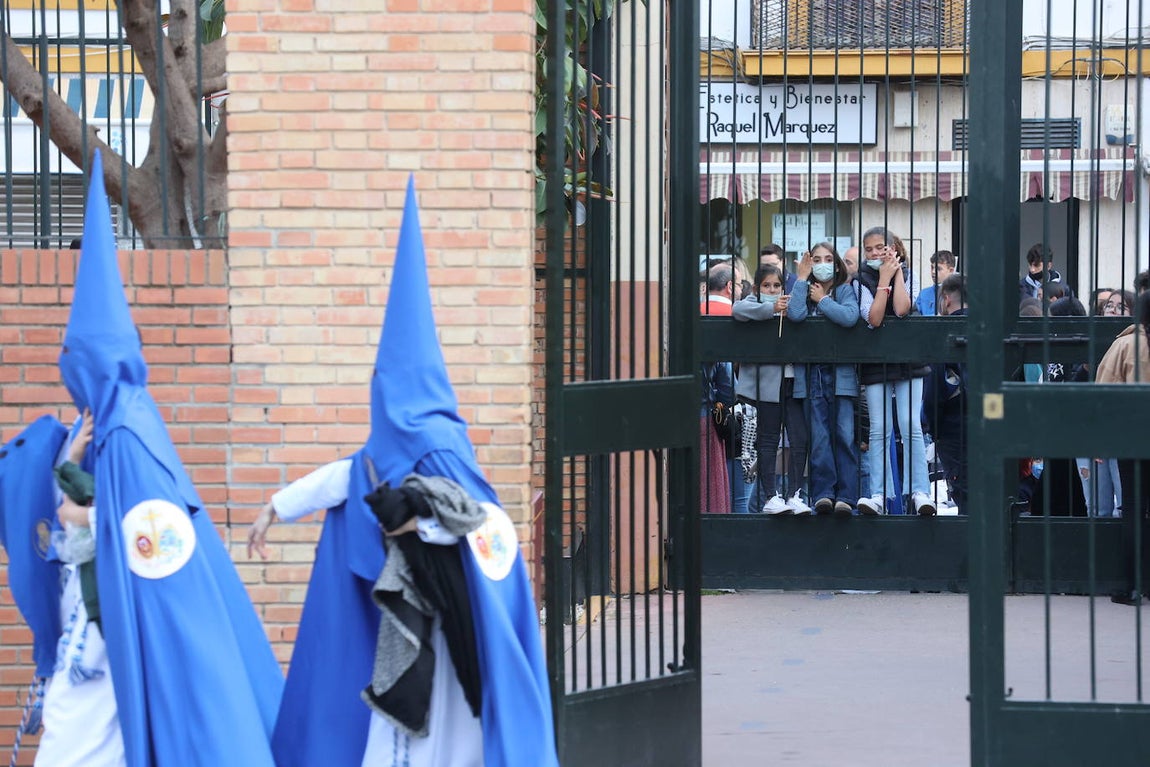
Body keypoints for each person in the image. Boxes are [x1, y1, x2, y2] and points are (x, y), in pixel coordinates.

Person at [248, 177, 558, 767]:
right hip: (405, 619)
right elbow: (342, 477)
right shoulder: (378, 451)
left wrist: (423, 530)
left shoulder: (442, 443)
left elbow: (483, 521)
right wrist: (275, 508)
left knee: (451, 727)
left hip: (451, 619)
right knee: (400, 721)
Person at [57, 150, 283, 766]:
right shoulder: (116, 420)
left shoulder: (126, 432)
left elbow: (146, 529)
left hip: (134, 623)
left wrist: (76, 516)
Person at [855, 226, 935, 516]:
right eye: (869, 249)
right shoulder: (860, 279)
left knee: (910, 424)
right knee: (879, 428)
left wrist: (896, 274)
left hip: (908, 358)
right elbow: (874, 317)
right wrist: (883, 280)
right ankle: (879, 493)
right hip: (876, 360)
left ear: (894, 249)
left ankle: (920, 491)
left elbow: (902, 308)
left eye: (880, 247)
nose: (875, 253)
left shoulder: (910, 275)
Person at [787, 242, 861, 515]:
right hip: (811, 375)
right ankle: (823, 493)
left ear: (837, 263)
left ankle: (847, 496)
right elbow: (795, 314)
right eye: (816, 259)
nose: (822, 263)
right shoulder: (803, 290)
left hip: (840, 374)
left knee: (844, 434)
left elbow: (850, 317)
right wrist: (802, 279)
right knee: (818, 437)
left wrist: (824, 301)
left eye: (828, 258)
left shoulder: (843, 290)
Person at [732, 263, 811, 514]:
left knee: (799, 438)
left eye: (777, 285)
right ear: (757, 287)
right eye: (767, 285)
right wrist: (770, 308)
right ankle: (770, 496)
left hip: (792, 382)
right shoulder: (753, 303)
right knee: (768, 440)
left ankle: (795, 493)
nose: (772, 289)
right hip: (767, 385)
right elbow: (738, 309)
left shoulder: (789, 303)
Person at [1096, 290, 1150, 604]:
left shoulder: (1126, 344)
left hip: (1134, 437)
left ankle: (1131, 584)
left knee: (1132, 508)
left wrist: (1103, 438)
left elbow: (1105, 394)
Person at [923, 274, 968, 514]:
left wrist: (934, 427)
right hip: (992, 421)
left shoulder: (944, 333)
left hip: (953, 425)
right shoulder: (988, 329)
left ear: (947, 299)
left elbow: (934, 391)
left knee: (964, 494)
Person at [914, 250, 956, 316]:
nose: (933, 271)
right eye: (932, 267)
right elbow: (915, 318)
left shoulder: (958, 294)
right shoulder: (923, 294)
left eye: (938, 269)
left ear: (951, 270)